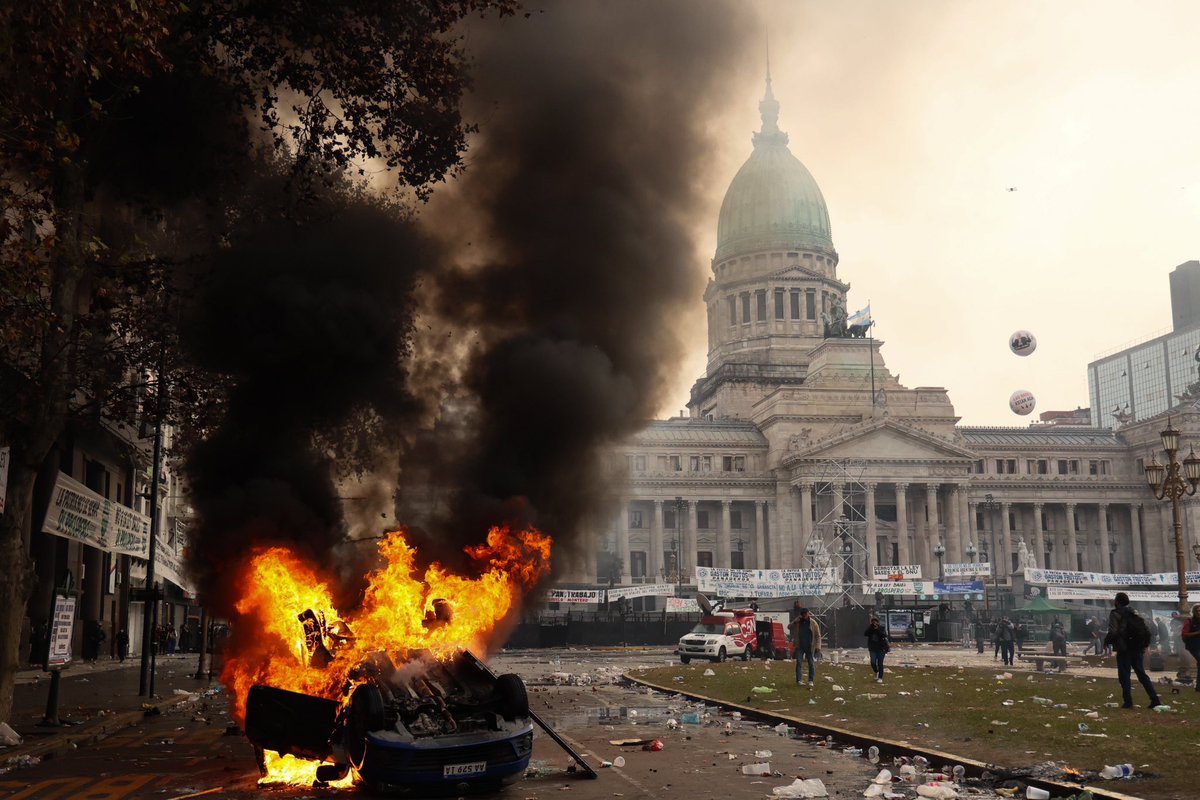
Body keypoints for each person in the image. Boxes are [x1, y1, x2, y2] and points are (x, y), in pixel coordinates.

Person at [1103, 592, 1162, 709]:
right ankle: (1155, 699)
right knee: (1141, 674)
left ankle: (1128, 701)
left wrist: (1106, 642)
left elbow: (1113, 631)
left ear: (1117, 602)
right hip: (1137, 647)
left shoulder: (1115, 613)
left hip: (1124, 648)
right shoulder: (1134, 612)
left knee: (1124, 675)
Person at [788, 604, 822, 687]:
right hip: (799, 645)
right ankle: (799, 680)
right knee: (799, 663)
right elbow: (789, 627)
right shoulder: (798, 622)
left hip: (810, 646)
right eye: (802, 614)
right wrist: (795, 621)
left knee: (811, 663)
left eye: (805, 614)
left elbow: (818, 635)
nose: (804, 616)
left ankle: (811, 680)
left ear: (808, 613)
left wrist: (818, 646)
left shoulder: (813, 623)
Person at [864, 615, 890, 683]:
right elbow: (865, 634)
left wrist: (877, 629)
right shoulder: (870, 628)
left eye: (876, 621)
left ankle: (880, 677)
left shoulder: (881, 628)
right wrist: (871, 628)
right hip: (873, 648)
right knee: (873, 662)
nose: (874, 623)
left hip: (881, 648)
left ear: (878, 622)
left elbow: (884, 635)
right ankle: (876, 671)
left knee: (880, 663)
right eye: (873, 622)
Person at [1182, 604, 1200, 690]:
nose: (1199, 613)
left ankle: (1198, 687)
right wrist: (1197, 633)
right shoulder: (1189, 621)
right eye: (1197, 611)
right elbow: (1185, 634)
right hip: (1193, 646)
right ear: (1194, 612)